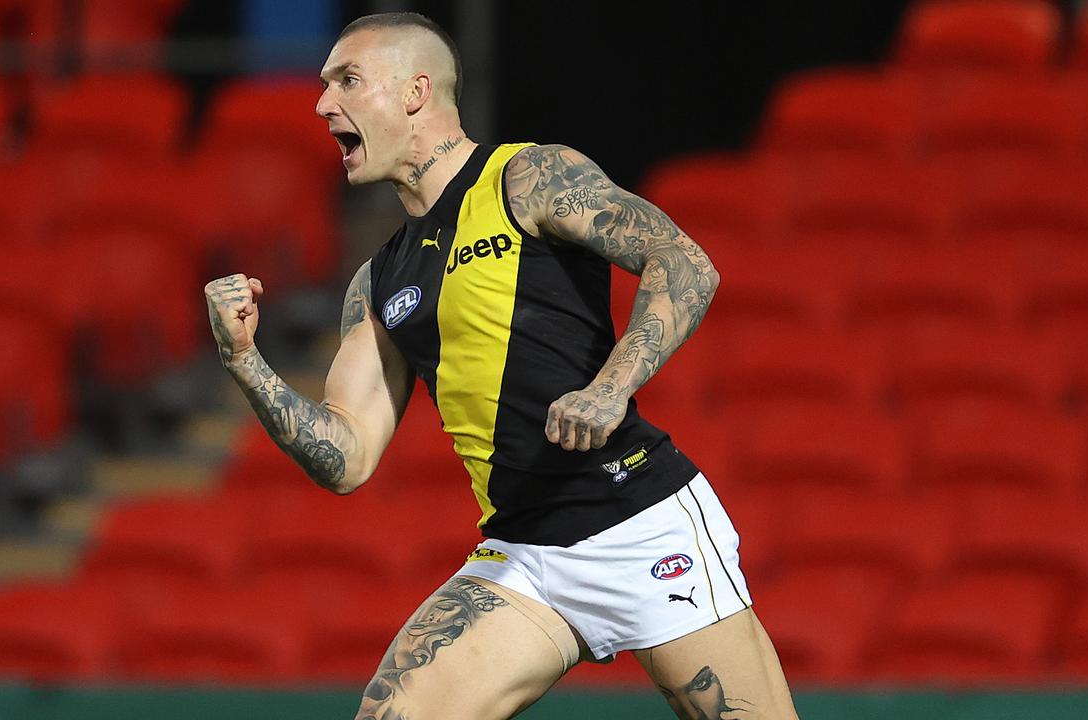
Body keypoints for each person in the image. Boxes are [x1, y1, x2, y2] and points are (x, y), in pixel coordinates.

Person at [204, 11, 800, 720]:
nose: (322, 102)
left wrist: (611, 389)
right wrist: (245, 361)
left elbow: (684, 262)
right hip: (523, 550)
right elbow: (348, 456)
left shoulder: (530, 175)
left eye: (347, 80)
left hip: (637, 519)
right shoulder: (379, 280)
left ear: (415, 91)